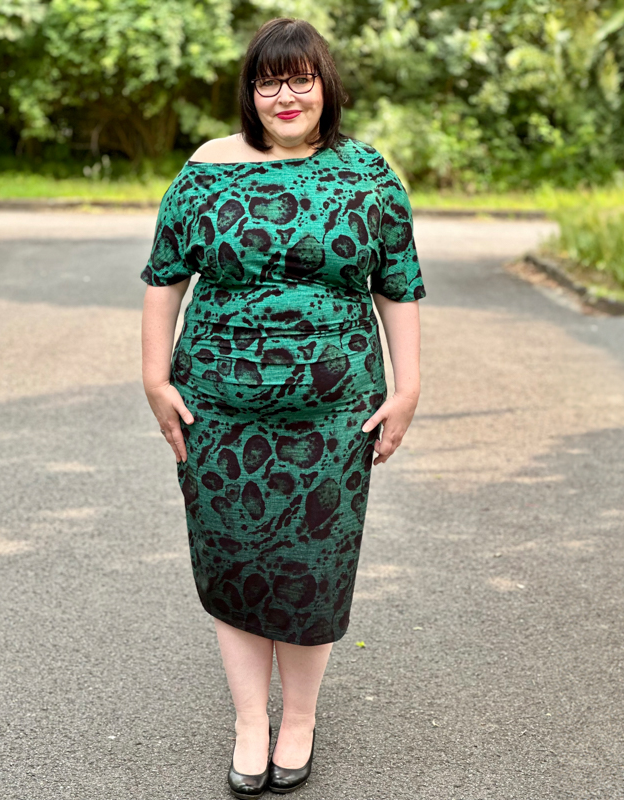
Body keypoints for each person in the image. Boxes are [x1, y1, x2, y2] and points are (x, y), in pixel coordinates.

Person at [140, 16, 425, 798]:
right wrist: (155, 378)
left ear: (326, 85)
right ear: (250, 92)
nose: (286, 96)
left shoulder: (367, 173)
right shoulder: (207, 168)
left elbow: (397, 284)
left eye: (301, 78)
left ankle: (298, 718)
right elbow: (165, 277)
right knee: (234, 558)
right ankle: (248, 723)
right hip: (217, 409)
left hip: (332, 415)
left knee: (311, 564)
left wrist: (407, 388)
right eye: (269, 82)